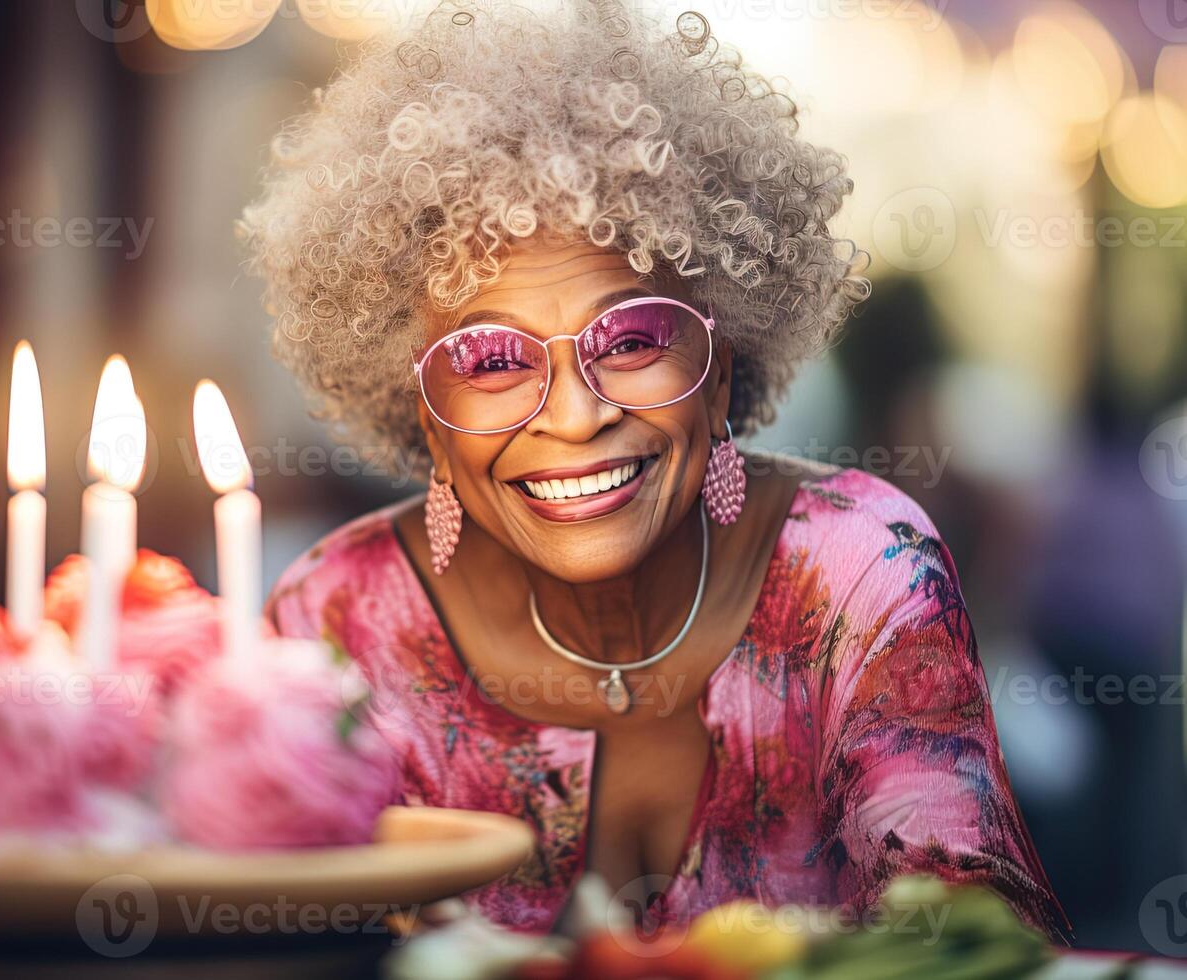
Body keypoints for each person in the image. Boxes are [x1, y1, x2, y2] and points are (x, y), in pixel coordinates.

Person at [235, 0, 1070, 941]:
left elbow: (973, 942)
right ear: (423, 411)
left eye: (631, 340)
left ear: (723, 369)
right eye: (490, 361)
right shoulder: (336, 626)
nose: (577, 414)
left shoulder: (860, 569)